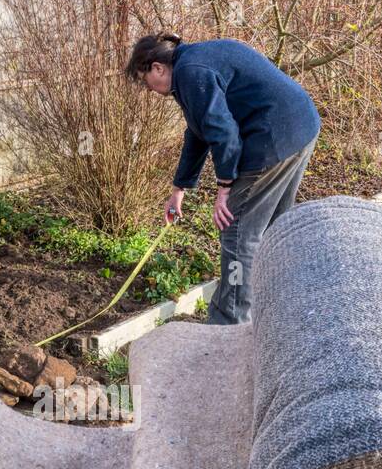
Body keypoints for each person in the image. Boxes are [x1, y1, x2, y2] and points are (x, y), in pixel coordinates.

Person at [127, 34, 321, 325]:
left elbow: (224, 134)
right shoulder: (193, 64)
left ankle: (230, 323)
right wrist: (180, 188)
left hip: (273, 139)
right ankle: (278, 311)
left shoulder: (191, 73)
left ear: (157, 68)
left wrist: (225, 187)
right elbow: (198, 131)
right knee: (272, 229)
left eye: (145, 81)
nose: (150, 90)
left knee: (237, 231)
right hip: (300, 127)